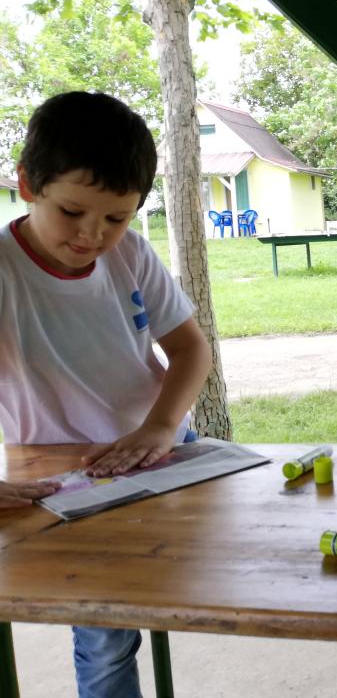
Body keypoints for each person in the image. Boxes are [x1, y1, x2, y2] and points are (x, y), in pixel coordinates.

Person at [0, 90, 213, 698]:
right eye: (72, 211)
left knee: (210, 582)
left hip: (162, 448)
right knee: (105, 636)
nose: (92, 235)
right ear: (27, 184)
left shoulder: (132, 255)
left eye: (116, 219)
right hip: (63, 476)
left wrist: (161, 427)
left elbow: (191, 349)